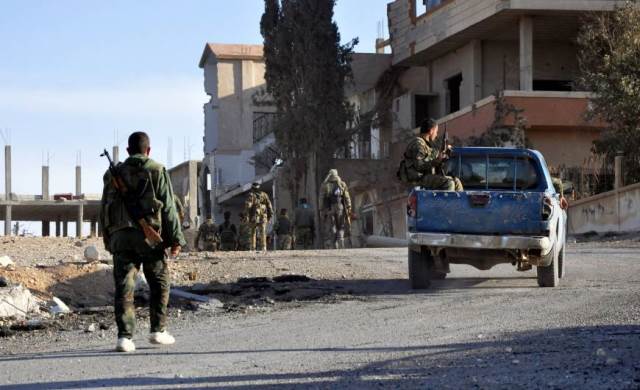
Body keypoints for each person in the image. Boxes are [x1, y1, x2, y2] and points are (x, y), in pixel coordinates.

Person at [100, 131, 185, 353]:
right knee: (159, 281)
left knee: (124, 286)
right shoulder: (156, 169)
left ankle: (124, 338)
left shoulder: (112, 175)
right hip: (148, 238)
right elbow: (168, 207)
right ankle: (158, 330)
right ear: (148, 150)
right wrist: (176, 239)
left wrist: (108, 239)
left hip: (119, 236)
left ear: (128, 151)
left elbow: (103, 209)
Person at [397, 118, 463, 191]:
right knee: (449, 183)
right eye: (436, 132)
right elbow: (419, 166)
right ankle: (446, 202)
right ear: (431, 131)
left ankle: (459, 202)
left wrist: (444, 154)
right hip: (419, 179)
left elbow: (434, 157)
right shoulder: (418, 144)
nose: (436, 134)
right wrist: (436, 161)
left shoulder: (426, 145)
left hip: (426, 177)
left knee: (456, 181)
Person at [320, 169, 352, 249]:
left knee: (332, 226)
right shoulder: (342, 184)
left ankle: (334, 245)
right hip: (340, 207)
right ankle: (341, 243)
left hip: (329, 208)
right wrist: (349, 206)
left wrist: (321, 209)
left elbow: (321, 198)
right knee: (340, 225)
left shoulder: (325, 185)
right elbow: (347, 196)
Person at [243, 182, 273, 251]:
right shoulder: (264, 194)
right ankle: (263, 247)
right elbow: (269, 205)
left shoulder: (251, 195)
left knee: (253, 232)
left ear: (252, 188)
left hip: (254, 215)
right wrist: (270, 215)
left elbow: (248, 206)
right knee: (263, 231)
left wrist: (246, 215)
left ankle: (253, 247)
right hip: (263, 215)